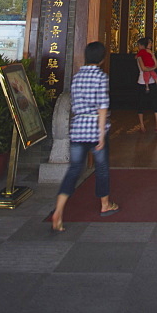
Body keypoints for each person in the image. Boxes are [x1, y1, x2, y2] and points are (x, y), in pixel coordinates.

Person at [51, 41, 118, 231]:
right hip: (95, 128)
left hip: (78, 127)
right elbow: (103, 106)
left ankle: (59, 209)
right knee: (102, 169)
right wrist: (101, 135)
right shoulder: (100, 77)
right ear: (103, 59)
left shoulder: (77, 77)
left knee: (74, 170)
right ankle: (105, 205)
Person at [136, 37, 157, 133]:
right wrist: (152, 68)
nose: (150, 45)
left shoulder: (150, 54)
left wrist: (153, 55)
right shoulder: (140, 56)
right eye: (149, 43)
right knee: (141, 103)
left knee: (156, 102)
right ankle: (141, 124)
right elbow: (144, 68)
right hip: (142, 82)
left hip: (152, 81)